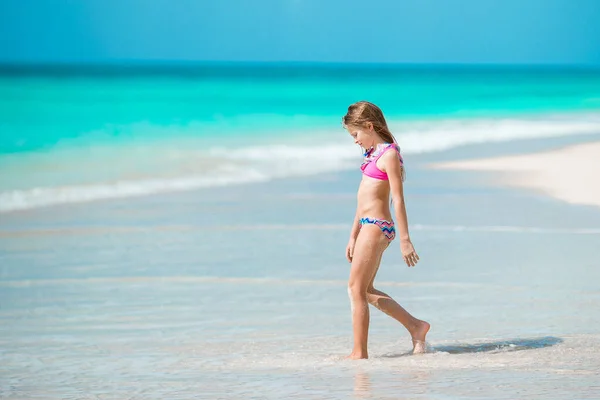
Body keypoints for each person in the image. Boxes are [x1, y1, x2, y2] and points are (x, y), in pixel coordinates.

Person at [342, 101, 430, 359]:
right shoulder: (370, 154)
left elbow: (398, 200)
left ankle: (359, 353)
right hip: (366, 226)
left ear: (369, 126)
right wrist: (352, 234)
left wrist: (405, 240)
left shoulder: (389, 155)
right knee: (366, 290)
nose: (355, 141)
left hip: (378, 227)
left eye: (356, 134)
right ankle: (416, 326)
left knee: (355, 289)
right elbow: (362, 200)